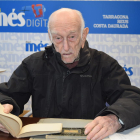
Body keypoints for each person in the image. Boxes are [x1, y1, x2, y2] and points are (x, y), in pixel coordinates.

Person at [0, 8, 140, 140]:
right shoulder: (33, 64)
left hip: (90, 136)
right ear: (50, 36)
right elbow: (8, 93)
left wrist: (114, 119)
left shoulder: (104, 64)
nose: (65, 47)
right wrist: (4, 110)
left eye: (72, 37)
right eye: (58, 38)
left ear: (83, 34)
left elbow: (132, 98)